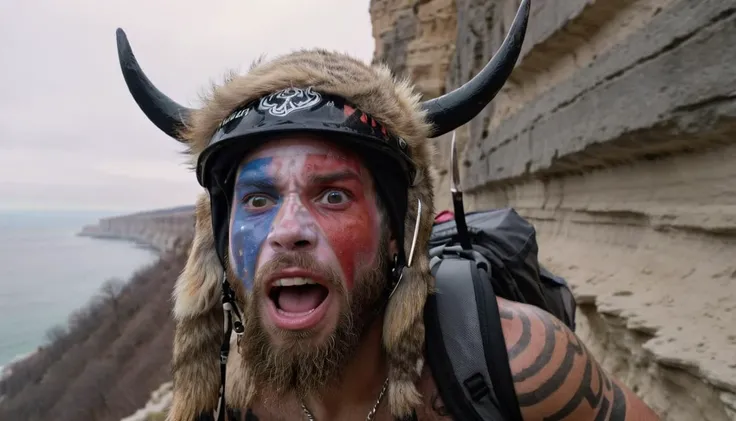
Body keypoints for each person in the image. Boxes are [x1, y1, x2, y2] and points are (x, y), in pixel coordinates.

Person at [115, 1, 660, 419]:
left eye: (333, 195)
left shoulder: (523, 364)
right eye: (258, 200)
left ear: (398, 232)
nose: (288, 231)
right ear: (220, 237)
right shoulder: (229, 397)